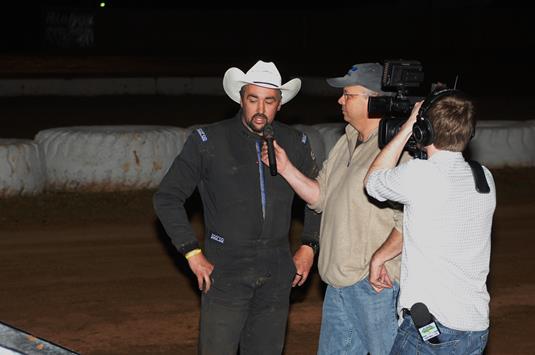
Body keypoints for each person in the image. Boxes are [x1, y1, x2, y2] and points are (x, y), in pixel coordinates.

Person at [153, 60, 320, 355]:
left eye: (269, 101)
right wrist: (191, 252)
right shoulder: (208, 140)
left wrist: (309, 246)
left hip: (277, 269)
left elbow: (317, 199)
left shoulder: (296, 142)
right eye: (252, 99)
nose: (260, 109)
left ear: (279, 104)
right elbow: (167, 197)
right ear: (240, 99)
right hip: (225, 269)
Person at [261, 63, 408, 354]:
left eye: (348, 95)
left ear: (374, 100)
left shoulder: (396, 151)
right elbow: (319, 197)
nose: (340, 101)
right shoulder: (347, 141)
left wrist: (380, 259)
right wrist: (287, 167)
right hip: (337, 282)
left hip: (374, 286)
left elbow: (412, 221)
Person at [364, 89, 496, 354]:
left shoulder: (420, 175)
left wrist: (406, 128)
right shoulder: (484, 177)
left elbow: (373, 182)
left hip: (432, 330)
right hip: (474, 326)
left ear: (423, 130)